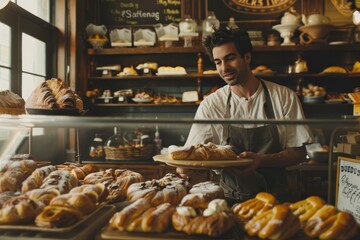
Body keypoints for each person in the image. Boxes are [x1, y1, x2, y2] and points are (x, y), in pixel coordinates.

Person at [176, 27, 313, 204]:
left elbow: (300, 154)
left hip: (277, 200)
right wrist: (186, 168)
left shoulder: (283, 97)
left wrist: (261, 160)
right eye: (218, 62)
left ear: (247, 57)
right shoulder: (211, 105)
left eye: (230, 58)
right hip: (229, 200)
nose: (224, 68)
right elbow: (192, 156)